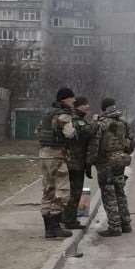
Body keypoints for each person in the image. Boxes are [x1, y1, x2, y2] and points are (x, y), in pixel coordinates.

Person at [88, 97, 135, 237]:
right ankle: (126, 224)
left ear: (103, 108)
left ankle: (114, 226)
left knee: (109, 194)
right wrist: (123, 153)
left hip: (105, 163)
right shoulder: (124, 122)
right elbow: (131, 142)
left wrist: (89, 162)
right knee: (120, 191)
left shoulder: (101, 124)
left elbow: (95, 145)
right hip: (120, 161)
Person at [37, 87, 75, 239]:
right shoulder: (64, 115)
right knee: (63, 191)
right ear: (65, 99)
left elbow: (38, 131)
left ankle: (48, 228)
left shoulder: (47, 114)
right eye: (72, 98)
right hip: (57, 156)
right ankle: (55, 225)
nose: (74, 101)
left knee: (48, 191)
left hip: (44, 155)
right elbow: (69, 134)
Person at [60, 96, 96, 230]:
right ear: (77, 106)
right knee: (74, 191)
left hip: (77, 161)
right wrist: (95, 123)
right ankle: (69, 220)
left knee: (76, 191)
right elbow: (86, 132)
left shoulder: (80, 119)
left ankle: (69, 217)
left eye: (87, 104)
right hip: (74, 161)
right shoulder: (75, 120)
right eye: (83, 104)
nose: (87, 106)